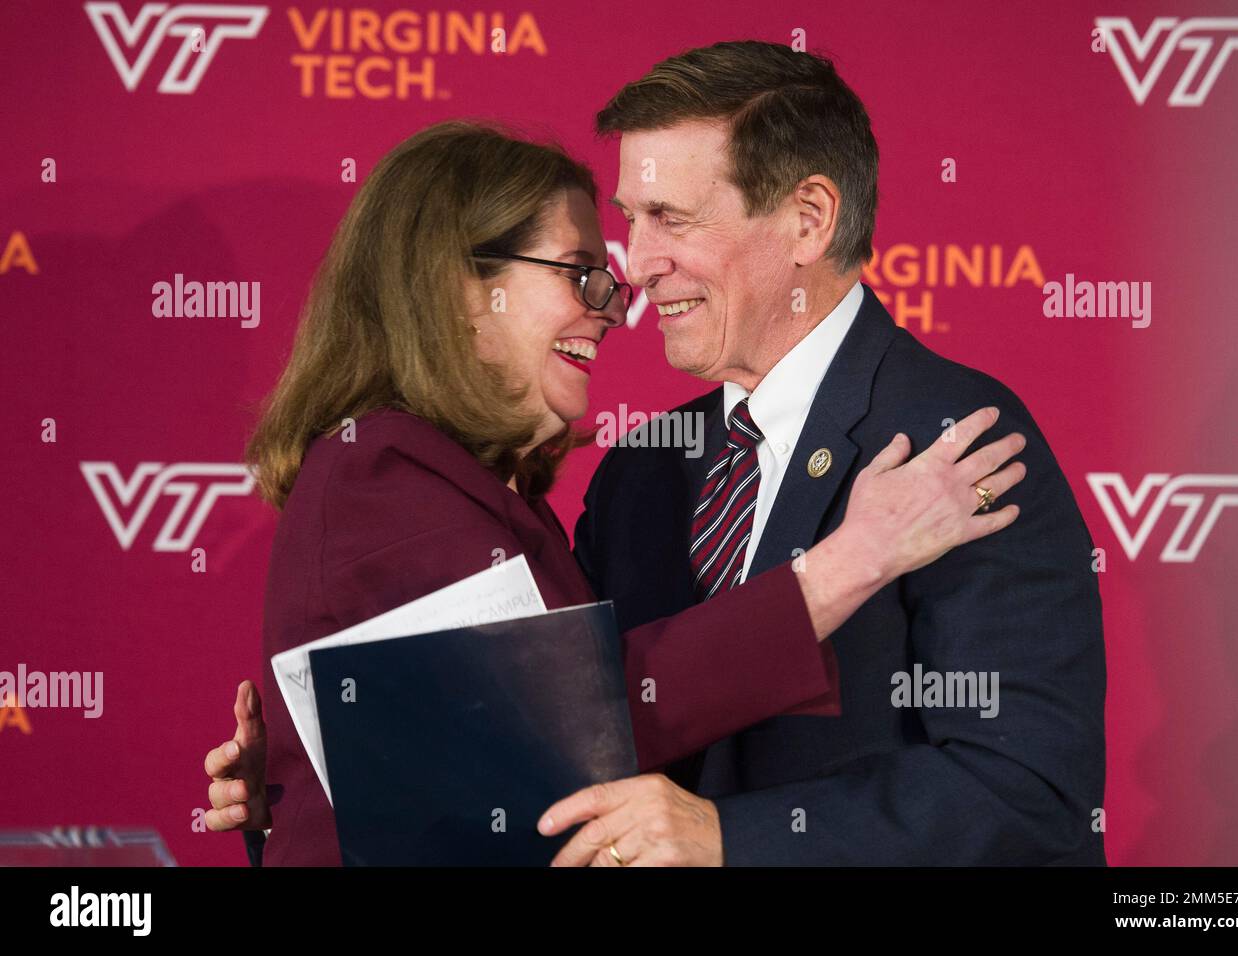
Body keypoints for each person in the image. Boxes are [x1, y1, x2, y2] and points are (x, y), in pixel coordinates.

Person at [202, 119, 1025, 866]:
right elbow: (548, 742)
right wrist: (851, 561)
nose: (613, 310)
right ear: (455, 286)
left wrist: (301, 785)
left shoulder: (490, 489)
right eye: (582, 275)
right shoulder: (383, 470)